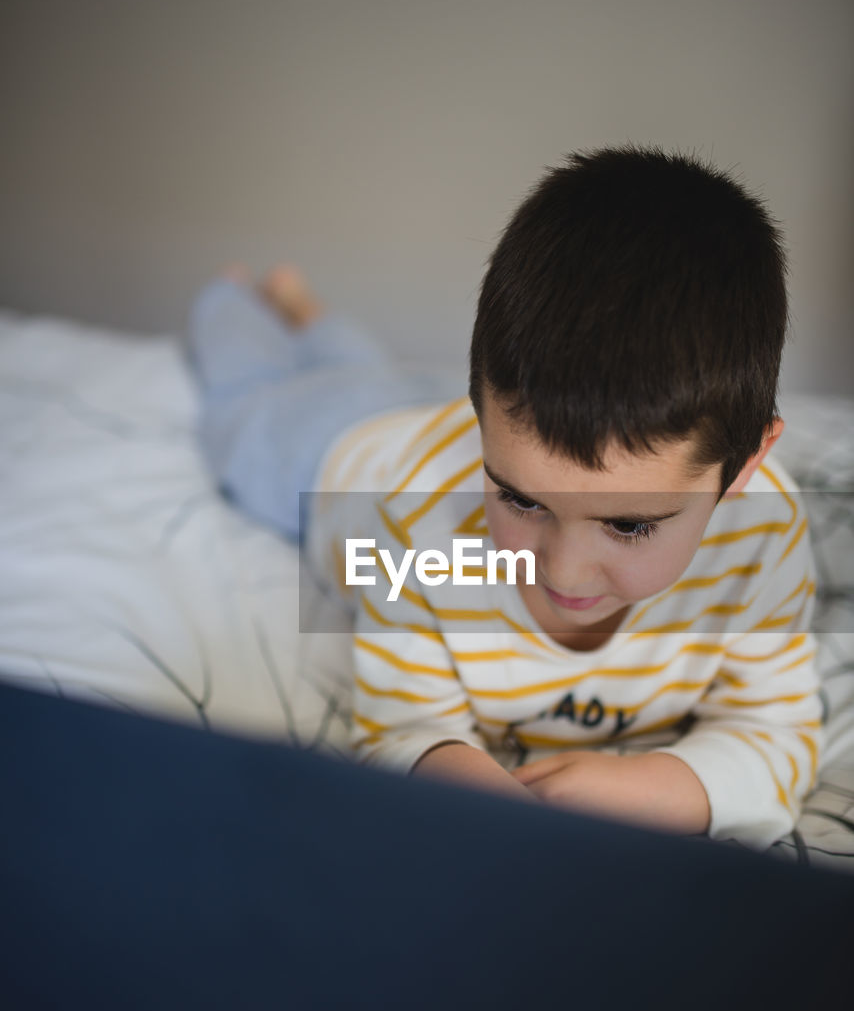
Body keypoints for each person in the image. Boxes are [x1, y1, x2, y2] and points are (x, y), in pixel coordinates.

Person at [185, 144, 824, 850]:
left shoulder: (765, 535)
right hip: (336, 455)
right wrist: (493, 804)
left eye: (629, 525)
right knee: (244, 407)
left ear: (745, 467)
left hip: (428, 422)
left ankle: (307, 311)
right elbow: (402, 726)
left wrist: (666, 791)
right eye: (520, 501)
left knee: (372, 379)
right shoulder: (417, 521)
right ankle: (238, 296)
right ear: (480, 415)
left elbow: (780, 728)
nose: (562, 571)